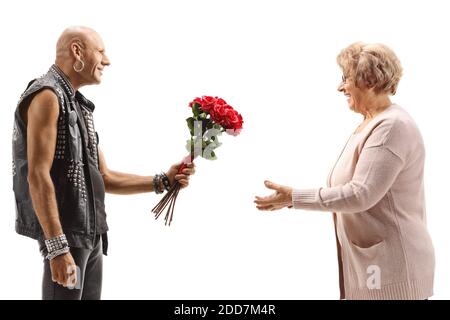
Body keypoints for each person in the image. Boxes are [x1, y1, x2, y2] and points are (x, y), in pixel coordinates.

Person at [12, 26, 195, 300]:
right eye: (100, 51)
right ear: (77, 51)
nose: (106, 60)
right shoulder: (48, 96)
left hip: (91, 236)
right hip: (67, 240)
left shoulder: (79, 106)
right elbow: (38, 176)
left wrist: (163, 181)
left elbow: (104, 177)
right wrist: (57, 248)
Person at [254, 42, 435, 300]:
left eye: (345, 78)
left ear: (370, 80)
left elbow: (360, 195)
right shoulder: (371, 123)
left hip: (392, 269)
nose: (340, 87)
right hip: (374, 266)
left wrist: (294, 197)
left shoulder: (391, 127)